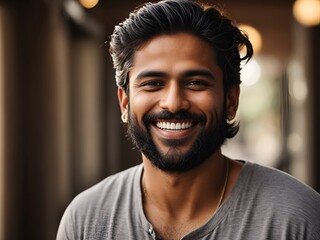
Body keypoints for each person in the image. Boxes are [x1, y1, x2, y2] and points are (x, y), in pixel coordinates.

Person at [57, 0, 320, 239]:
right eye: (152, 83)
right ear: (125, 102)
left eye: (195, 83)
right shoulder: (86, 221)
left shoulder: (298, 218)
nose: (173, 103)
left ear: (231, 100)